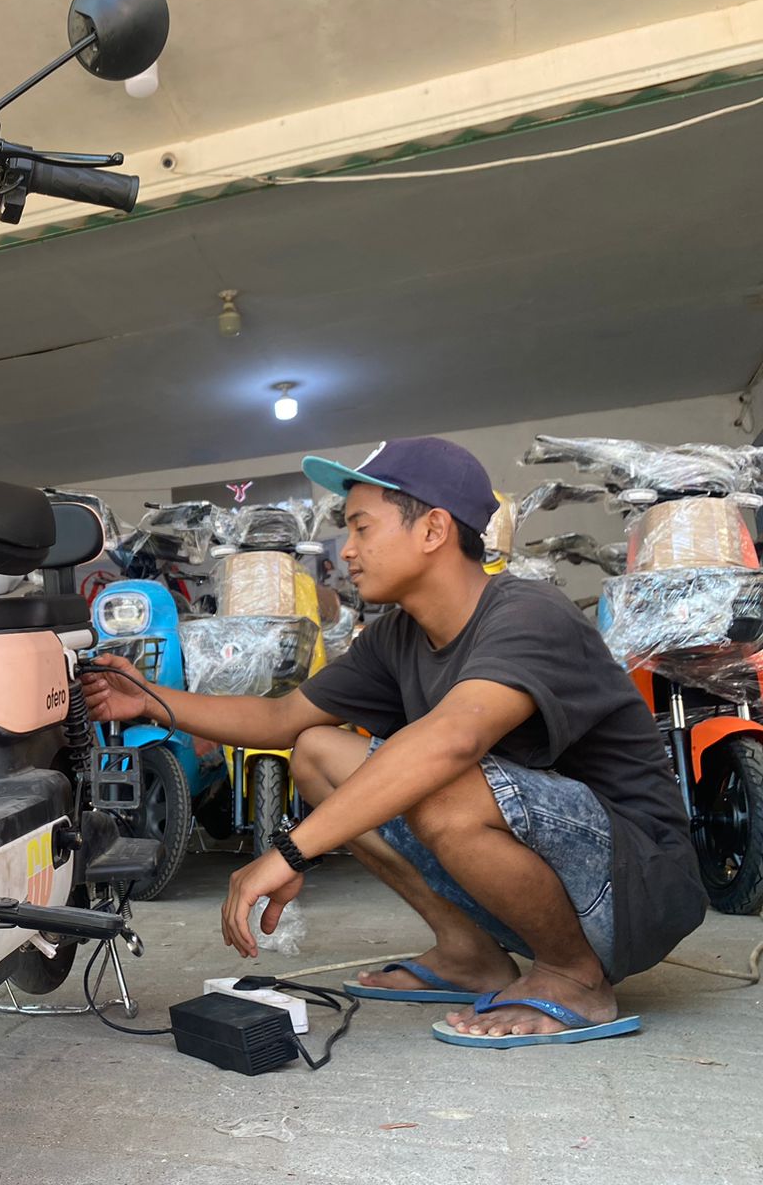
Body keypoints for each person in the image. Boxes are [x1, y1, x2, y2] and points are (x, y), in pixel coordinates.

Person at [87, 436, 705, 1048]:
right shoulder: (397, 638)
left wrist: (288, 851)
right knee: (319, 754)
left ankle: (576, 976)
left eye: (361, 528)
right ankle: (470, 954)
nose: (347, 551)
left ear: (433, 530)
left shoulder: (528, 612)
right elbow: (283, 722)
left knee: (443, 785)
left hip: (637, 879)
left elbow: (453, 740)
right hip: (551, 858)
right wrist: (151, 700)